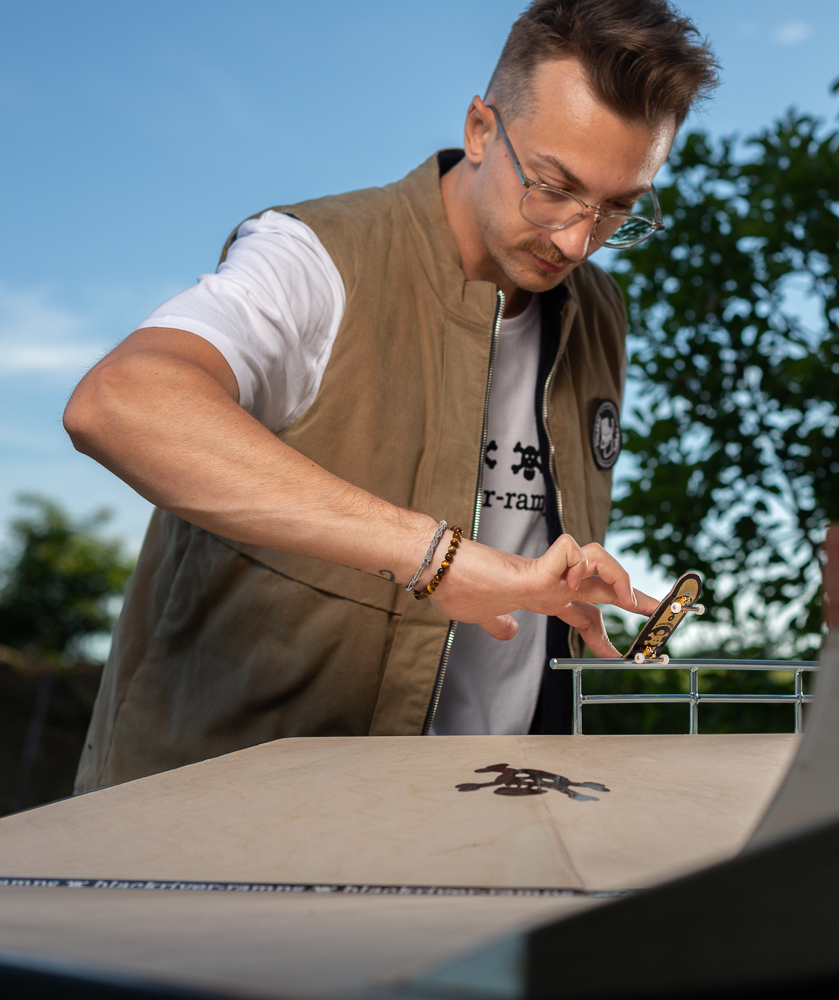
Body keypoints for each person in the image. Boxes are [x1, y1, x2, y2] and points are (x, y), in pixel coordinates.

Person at [63, 0, 719, 790]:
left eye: (619, 207)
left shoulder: (598, 310)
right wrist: (438, 561)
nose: (575, 241)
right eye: (553, 188)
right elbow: (119, 403)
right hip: (235, 830)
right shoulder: (314, 258)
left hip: (487, 828)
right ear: (481, 130)